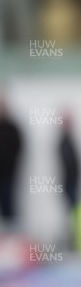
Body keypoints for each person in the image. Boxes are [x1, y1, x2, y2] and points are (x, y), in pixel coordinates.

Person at [0, 95, 23, 227]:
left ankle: (12, 233)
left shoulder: (12, 128)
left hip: (8, 175)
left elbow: (18, 148)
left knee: (9, 205)